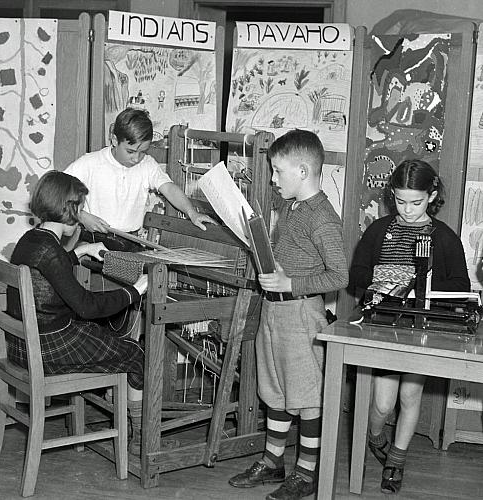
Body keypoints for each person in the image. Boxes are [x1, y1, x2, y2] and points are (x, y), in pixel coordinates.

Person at [228, 129, 348, 500]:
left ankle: (306, 474)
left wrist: (290, 283)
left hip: (300, 315)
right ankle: (273, 461)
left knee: (306, 396)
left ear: (302, 170)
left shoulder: (322, 217)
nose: (272, 179)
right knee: (276, 391)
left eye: (277, 171)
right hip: (274, 312)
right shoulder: (288, 206)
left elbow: (340, 275)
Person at [348, 159, 469, 494]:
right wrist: (381, 278)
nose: (408, 209)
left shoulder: (444, 237)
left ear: (431, 195)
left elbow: (460, 284)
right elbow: (355, 274)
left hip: (422, 325)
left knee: (411, 393)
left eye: (416, 202)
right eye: (400, 201)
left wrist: (422, 286)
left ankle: (396, 463)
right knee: (383, 404)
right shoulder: (380, 230)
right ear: (392, 196)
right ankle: (376, 437)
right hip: (385, 322)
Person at [6, 170, 148, 452]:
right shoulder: (52, 251)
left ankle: (114, 404)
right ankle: (141, 438)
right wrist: (135, 290)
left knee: (104, 337)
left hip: (21, 346)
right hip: (50, 348)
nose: (82, 213)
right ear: (68, 209)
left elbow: (47, 272)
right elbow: (87, 306)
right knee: (134, 353)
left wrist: (80, 252)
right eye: (80, 207)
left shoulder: (31, 240)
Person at [65, 107, 216, 235]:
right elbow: (55, 192)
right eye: (130, 152)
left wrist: (192, 213)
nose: (136, 158)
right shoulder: (90, 163)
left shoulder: (147, 165)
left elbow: (169, 188)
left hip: (131, 240)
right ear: (114, 140)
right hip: (95, 237)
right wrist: (82, 216)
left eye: (143, 152)